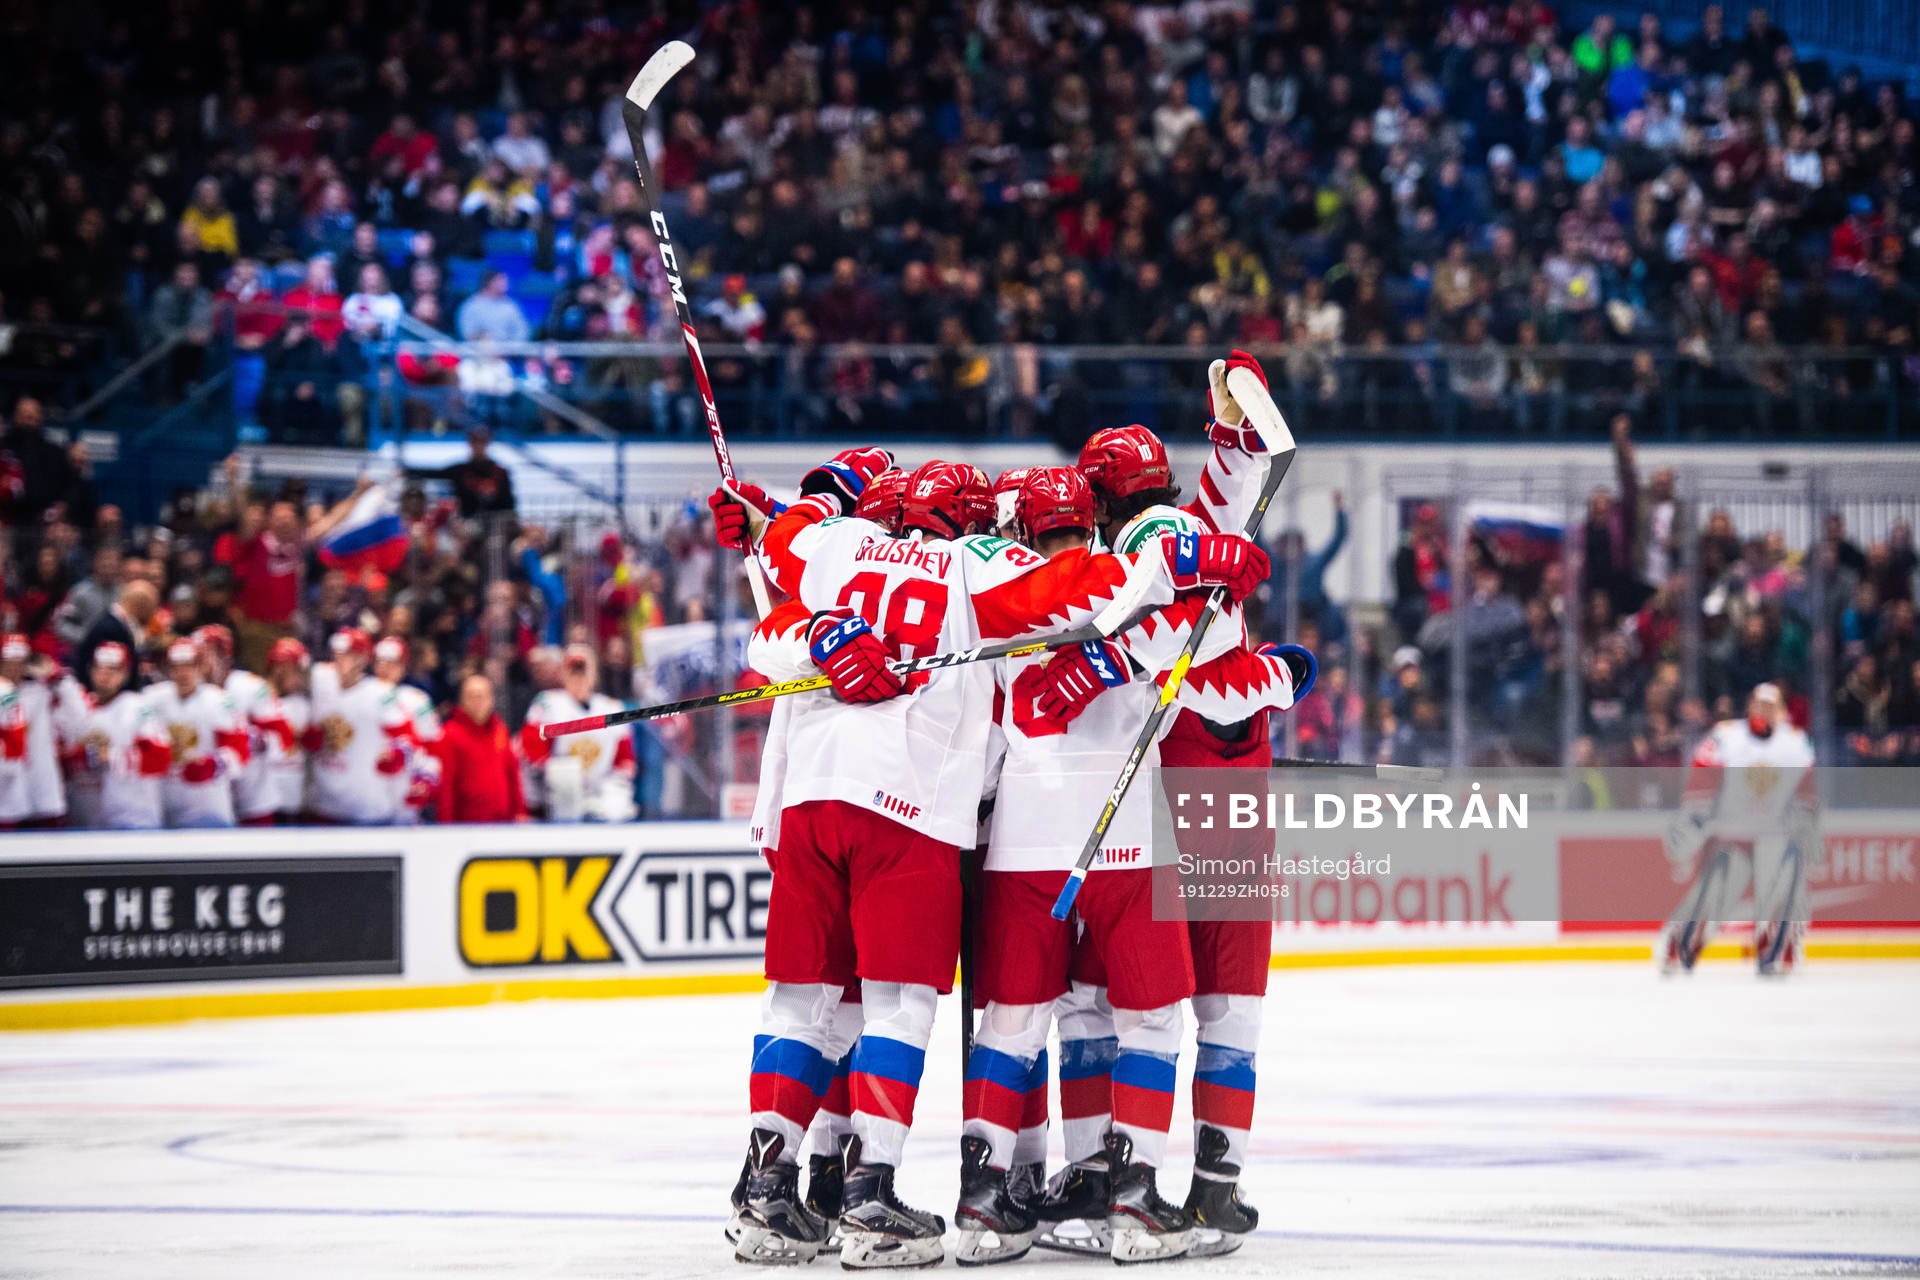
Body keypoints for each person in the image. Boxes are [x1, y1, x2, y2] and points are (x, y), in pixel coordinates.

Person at [711, 450, 1265, 1268]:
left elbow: (775, 594)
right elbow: (1085, 591)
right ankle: (872, 1196)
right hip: (917, 814)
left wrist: (781, 528)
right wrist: (1176, 558)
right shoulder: (978, 567)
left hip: (812, 803)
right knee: (908, 1009)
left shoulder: (838, 544)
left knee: (814, 1004)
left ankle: (780, 1187)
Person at [1658, 683, 1816, 976]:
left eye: (1771, 707)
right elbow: (1702, 775)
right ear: (1749, 707)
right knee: (1713, 900)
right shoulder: (1727, 736)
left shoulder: (1794, 742)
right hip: (1729, 832)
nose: (1764, 712)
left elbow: (1806, 789)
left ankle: (1779, 951)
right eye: (1759, 705)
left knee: (1785, 896)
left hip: (1774, 833)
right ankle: (1680, 946)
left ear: (1781, 710)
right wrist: (1699, 813)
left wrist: (1805, 819)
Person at [305, 627, 411, 825]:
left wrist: (397, 755)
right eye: (336, 653)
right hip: (324, 805)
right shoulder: (320, 679)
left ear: (361, 659)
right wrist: (307, 737)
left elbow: (406, 737)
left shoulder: (380, 693)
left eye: (345, 655)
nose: (338, 660)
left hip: (366, 809)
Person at [519, 644, 635, 822]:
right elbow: (531, 748)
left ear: (593, 675)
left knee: (617, 805)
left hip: (600, 792)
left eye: (583, 673)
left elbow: (625, 759)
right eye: (573, 673)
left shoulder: (611, 707)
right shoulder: (548, 704)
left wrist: (615, 784)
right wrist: (557, 773)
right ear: (563, 674)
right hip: (561, 793)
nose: (579, 680)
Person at [63, 643, 171, 830]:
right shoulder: (77, 709)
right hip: (84, 822)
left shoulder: (138, 708)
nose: (105, 675)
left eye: (113, 669)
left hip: (134, 819)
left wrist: (108, 757)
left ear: (125, 674)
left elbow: (160, 759)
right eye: (100, 668)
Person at [145, 636, 245, 829]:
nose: (183, 673)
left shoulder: (219, 701)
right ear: (168, 669)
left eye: (189, 666)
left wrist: (213, 765)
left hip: (209, 806)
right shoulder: (152, 699)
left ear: (200, 667)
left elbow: (240, 750)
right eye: (177, 667)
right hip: (166, 805)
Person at [435, 674, 527, 824]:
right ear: (462, 700)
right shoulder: (450, 734)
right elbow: (446, 786)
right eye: (472, 696)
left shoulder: (500, 730)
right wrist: (446, 827)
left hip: (503, 824)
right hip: (467, 826)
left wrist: (520, 811)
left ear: (491, 699)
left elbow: (512, 774)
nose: (478, 701)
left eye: (482, 696)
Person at [373, 636, 441, 823]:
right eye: (380, 661)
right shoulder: (360, 696)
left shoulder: (417, 701)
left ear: (402, 667)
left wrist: (427, 782)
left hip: (402, 798)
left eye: (391, 663)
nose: (385, 668)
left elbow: (433, 749)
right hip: (364, 796)